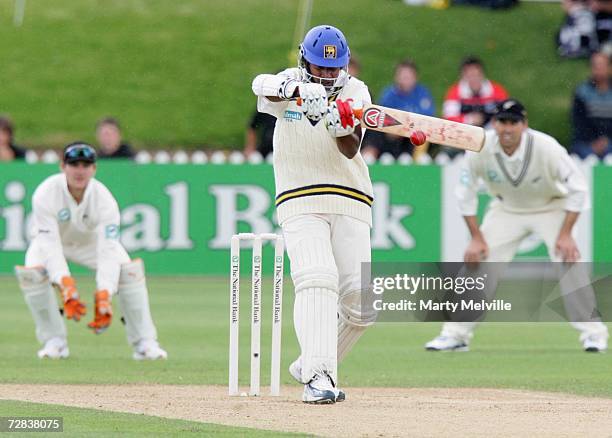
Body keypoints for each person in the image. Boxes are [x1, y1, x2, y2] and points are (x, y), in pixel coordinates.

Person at [251, 24, 376, 404]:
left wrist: (340, 125)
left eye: (332, 70)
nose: (325, 76)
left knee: (362, 305)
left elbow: (352, 150)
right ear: (305, 60)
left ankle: (312, 364)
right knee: (316, 277)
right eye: (319, 68)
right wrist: (295, 90)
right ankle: (319, 379)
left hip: (351, 197)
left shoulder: (356, 91)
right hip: (300, 198)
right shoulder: (289, 81)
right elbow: (260, 85)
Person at [425, 99, 609, 353]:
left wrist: (566, 234)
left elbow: (578, 189)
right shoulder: (480, 147)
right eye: (502, 122)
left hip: (551, 207)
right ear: (495, 123)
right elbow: (464, 194)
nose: (507, 128)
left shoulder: (547, 147)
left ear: (524, 125)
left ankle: (594, 334)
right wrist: (476, 238)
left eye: (514, 122)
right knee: (477, 262)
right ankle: (455, 335)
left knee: (569, 261)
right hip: (507, 209)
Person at [14, 142, 167, 360]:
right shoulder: (45, 194)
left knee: (129, 271)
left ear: (94, 169)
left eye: (86, 165)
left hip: (90, 245)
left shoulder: (105, 200)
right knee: (31, 273)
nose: (80, 170)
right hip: (50, 242)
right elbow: (49, 244)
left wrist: (104, 293)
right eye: (74, 164)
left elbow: (108, 248)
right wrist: (65, 283)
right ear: (62, 166)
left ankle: (145, 343)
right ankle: (54, 341)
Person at [362, 59, 435, 159]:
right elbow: (382, 120)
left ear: (415, 77)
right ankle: (371, 156)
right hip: (394, 137)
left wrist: (406, 127)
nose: (405, 79)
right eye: (403, 76)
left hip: (416, 137)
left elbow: (428, 120)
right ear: (397, 77)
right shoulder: (389, 94)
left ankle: (419, 159)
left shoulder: (423, 93)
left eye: (408, 76)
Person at [443, 56, 509, 128]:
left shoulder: (497, 91)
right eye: (470, 76)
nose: (474, 79)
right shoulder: (455, 92)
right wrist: (469, 119)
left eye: (477, 75)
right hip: (464, 131)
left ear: (482, 74)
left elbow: (507, 114)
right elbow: (448, 119)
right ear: (463, 76)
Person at [571, 51, 612, 159]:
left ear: (609, 67)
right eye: (595, 66)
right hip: (587, 142)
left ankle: (604, 176)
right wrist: (594, 142)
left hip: (610, 141)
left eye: (602, 66)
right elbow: (579, 122)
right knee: (587, 158)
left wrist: (606, 140)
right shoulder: (582, 92)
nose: (598, 70)